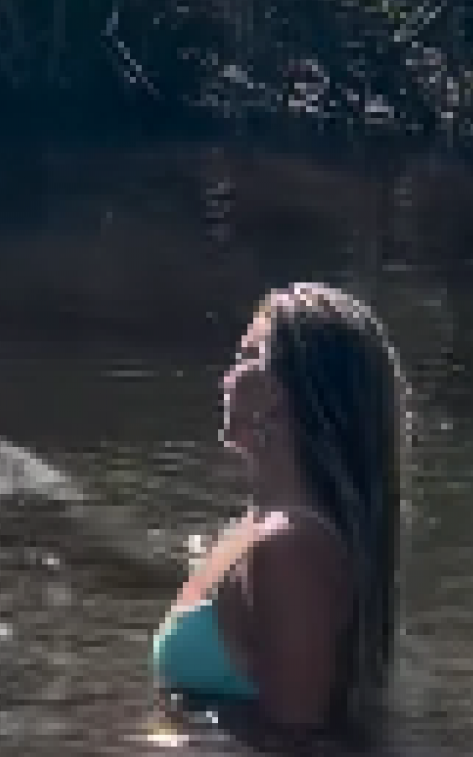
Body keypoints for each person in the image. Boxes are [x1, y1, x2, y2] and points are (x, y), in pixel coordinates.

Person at [153, 282, 405, 733]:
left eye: (247, 357)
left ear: (284, 392)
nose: (226, 379)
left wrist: (173, 747)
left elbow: (295, 744)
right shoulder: (258, 529)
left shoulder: (291, 548)